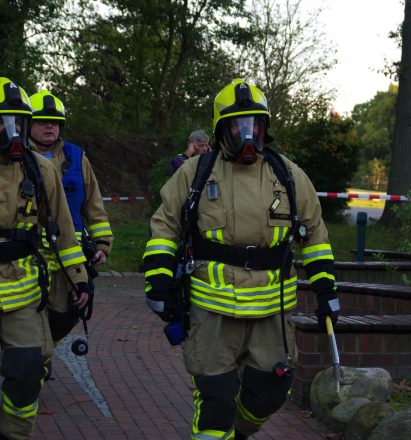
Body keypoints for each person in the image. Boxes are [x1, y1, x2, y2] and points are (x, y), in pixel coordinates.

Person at [143, 78, 340, 439]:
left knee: (270, 394)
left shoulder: (290, 176)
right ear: (222, 130)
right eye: (238, 125)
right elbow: (165, 225)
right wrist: (158, 279)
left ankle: (236, 433)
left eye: (255, 125)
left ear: (266, 127)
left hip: (272, 311)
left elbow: (315, 236)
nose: (248, 134)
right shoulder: (196, 173)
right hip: (211, 310)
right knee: (215, 399)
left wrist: (327, 290)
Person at [0, 76, 89, 439]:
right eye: (3, 122)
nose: (12, 132)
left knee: (27, 371)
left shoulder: (41, 168)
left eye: (16, 123)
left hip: (22, 291)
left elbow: (63, 230)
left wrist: (78, 276)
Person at [28, 90, 113, 375]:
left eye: (54, 122)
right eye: (42, 122)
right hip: (28, 260)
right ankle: (35, 363)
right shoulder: (17, 158)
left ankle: (41, 352)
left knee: (67, 314)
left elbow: (94, 205)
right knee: (27, 317)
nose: (50, 126)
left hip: (69, 260)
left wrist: (102, 243)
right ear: (28, 123)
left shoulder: (77, 158)